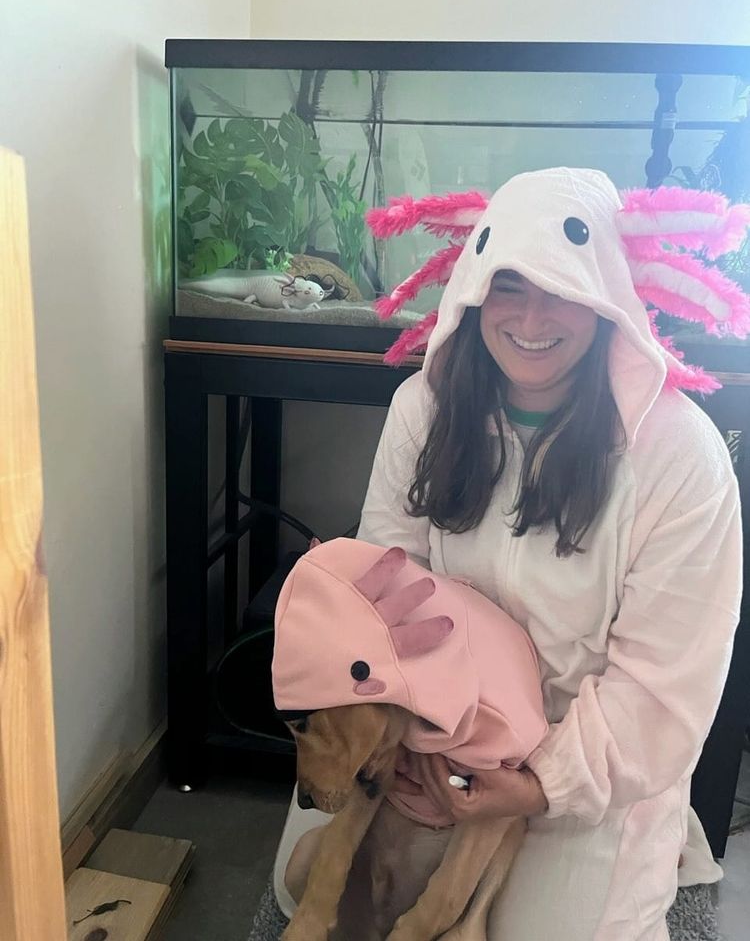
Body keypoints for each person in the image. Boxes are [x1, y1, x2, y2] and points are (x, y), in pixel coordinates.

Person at [273, 168, 746, 941]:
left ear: (607, 298)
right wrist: (401, 755)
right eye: (510, 287)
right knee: (311, 889)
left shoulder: (681, 456)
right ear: (473, 289)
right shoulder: (420, 410)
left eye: (563, 290)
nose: (533, 318)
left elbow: (666, 685)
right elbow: (383, 595)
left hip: (587, 758)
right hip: (429, 727)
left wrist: (530, 785)